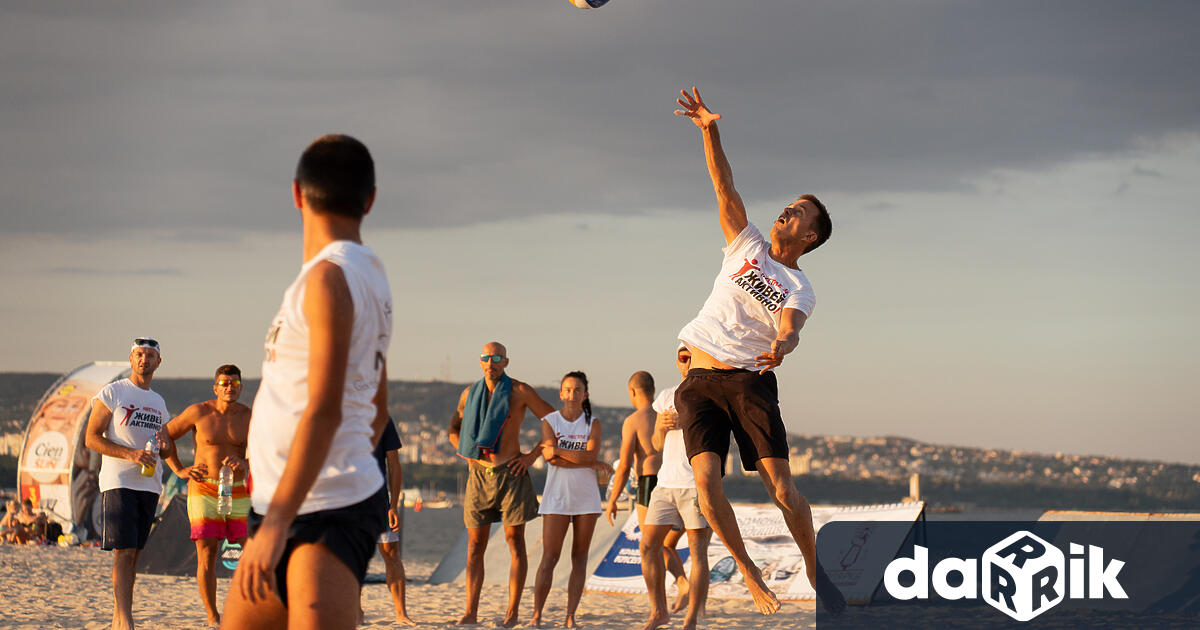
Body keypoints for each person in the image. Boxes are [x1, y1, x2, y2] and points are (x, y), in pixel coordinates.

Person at [672, 87, 845, 616]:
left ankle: (817, 573)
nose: (786, 212)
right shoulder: (745, 243)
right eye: (789, 206)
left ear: (809, 236)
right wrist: (709, 130)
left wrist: (783, 345)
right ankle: (749, 574)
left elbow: (791, 327)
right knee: (705, 485)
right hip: (699, 379)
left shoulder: (798, 286)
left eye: (797, 212)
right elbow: (722, 185)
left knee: (783, 489)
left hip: (749, 380)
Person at [223, 134, 393, 630]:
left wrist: (277, 523)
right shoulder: (370, 273)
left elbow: (327, 407)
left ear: (297, 193)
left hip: (324, 510)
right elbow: (377, 400)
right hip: (281, 505)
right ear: (370, 200)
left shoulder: (326, 279)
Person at [448, 341, 556, 627]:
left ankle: (512, 613)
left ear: (506, 362)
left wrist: (532, 455)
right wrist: (466, 453)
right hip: (479, 475)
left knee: (515, 543)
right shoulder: (469, 393)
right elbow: (454, 428)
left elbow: (552, 419)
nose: (490, 362)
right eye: (485, 357)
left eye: (496, 358)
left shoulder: (520, 391)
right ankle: (470, 612)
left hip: (512, 473)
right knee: (474, 547)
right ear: (480, 361)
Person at [83, 336, 173, 630]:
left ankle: (119, 617)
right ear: (131, 359)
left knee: (134, 553)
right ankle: (126, 619)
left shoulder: (158, 402)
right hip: (119, 481)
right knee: (123, 551)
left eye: (149, 355)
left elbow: (168, 448)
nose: (144, 359)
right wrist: (130, 454)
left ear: (158, 362)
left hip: (150, 484)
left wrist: (165, 444)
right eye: (138, 354)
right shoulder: (114, 392)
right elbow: (91, 438)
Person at [163, 364, 252, 627]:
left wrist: (247, 462)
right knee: (207, 553)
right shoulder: (198, 411)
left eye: (234, 383)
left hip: (236, 489)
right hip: (203, 487)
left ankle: (244, 609)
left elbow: (263, 449)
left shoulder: (249, 416)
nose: (229, 387)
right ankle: (213, 616)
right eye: (224, 383)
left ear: (240, 387)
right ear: (215, 387)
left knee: (252, 551)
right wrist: (179, 469)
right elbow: (164, 436)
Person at [530, 371, 612, 629]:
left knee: (580, 557)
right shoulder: (550, 421)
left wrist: (558, 450)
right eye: (568, 389)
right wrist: (581, 457)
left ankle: (570, 616)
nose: (572, 394)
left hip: (586, 499)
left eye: (578, 390)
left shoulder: (593, 423)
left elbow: (589, 457)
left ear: (585, 394)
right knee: (550, 557)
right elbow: (550, 460)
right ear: (561, 393)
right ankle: (536, 615)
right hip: (556, 497)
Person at [603, 371, 689, 611]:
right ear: (653, 391)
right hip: (673, 482)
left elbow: (624, 467)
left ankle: (680, 584)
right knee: (663, 544)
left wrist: (611, 500)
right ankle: (681, 583)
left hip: (649, 482)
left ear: (632, 391)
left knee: (650, 545)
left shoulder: (633, 421)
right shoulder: (664, 414)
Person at [640, 345, 712, 630]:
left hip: (697, 484)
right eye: (683, 357)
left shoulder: (712, 395)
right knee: (648, 546)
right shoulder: (666, 396)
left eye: (693, 357)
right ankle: (659, 612)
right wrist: (661, 428)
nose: (688, 361)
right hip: (666, 483)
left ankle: (692, 619)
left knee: (698, 553)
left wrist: (689, 422)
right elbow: (656, 446)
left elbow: (718, 439)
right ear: (678, 361)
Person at [359, 417, 415, 626]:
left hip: (379, 499)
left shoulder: (382, 419)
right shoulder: (337, 416)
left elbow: (393, 463)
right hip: (348, 500)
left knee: (391, 553)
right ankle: (357, 612)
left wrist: (394, 505)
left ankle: (401, 613)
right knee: (351, 555)